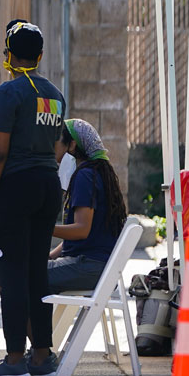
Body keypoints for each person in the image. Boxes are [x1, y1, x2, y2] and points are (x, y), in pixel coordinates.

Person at [0, 20, 66, 376]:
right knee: (35, 273)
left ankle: (14, 360)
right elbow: (58, 145)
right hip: (47, 185)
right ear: (40, 56)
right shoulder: (54, 94)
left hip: (14, 188)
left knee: (11, 275)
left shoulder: (7, 93)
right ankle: (41, 356)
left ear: (8, 55)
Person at [47, 118, 128, 294]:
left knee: (12, 276)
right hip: (95, 266)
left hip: (89, 267)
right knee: (27, 274)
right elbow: (87, 235)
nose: (51, 145)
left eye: (56, 140)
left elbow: (81, 230)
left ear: (72, 145)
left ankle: (33, 323)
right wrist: (51, 255)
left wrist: (43, 227)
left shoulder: (85, 176)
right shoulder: (96, 173)